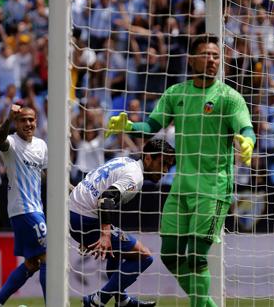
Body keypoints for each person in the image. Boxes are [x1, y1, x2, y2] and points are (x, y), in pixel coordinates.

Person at [104, 34, 255, 306]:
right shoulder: (176, 93)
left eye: (215, 55)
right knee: (171, 256)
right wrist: (129, 127)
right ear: (191, 58)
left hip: (213, 189)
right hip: (181, 187)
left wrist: (248, 141)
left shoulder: (229, 97)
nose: (211, 60)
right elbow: (152, 126)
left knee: (196, 256)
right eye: (206, 54)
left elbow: (245, 128)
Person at [71, 139, 175, 307]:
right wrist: (104, 234)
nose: (164, 171)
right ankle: (97, 300)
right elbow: (105, 199)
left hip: (76, 213)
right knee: (144, 256)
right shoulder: (135, 177)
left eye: (168, 167)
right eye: (162, 163)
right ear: (148, 158)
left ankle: (122, 300)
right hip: (85, 218)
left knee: (118, 253)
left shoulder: (123, 160)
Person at [0, 104, 48, 306]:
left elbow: (49, 176)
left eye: (31, 119)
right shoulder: (11, 142)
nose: (28, 123)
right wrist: (7, 119)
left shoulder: (41, 145)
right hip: (25, 209)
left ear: (36, 121)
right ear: (16, 123)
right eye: (23, 120)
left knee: (32, 264)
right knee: (48, 257)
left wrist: (72, 189)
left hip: (34, 209)